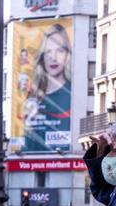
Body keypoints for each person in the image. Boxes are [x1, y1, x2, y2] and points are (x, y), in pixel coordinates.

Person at [23, 24, 72, 152]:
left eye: (60, 50)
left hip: (65, 157)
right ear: (42, 56)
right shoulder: (32, 95)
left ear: (67, 54)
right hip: (29, 161)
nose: (53, 57)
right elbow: (27, 136)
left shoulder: (73, 92)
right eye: (48, 52)